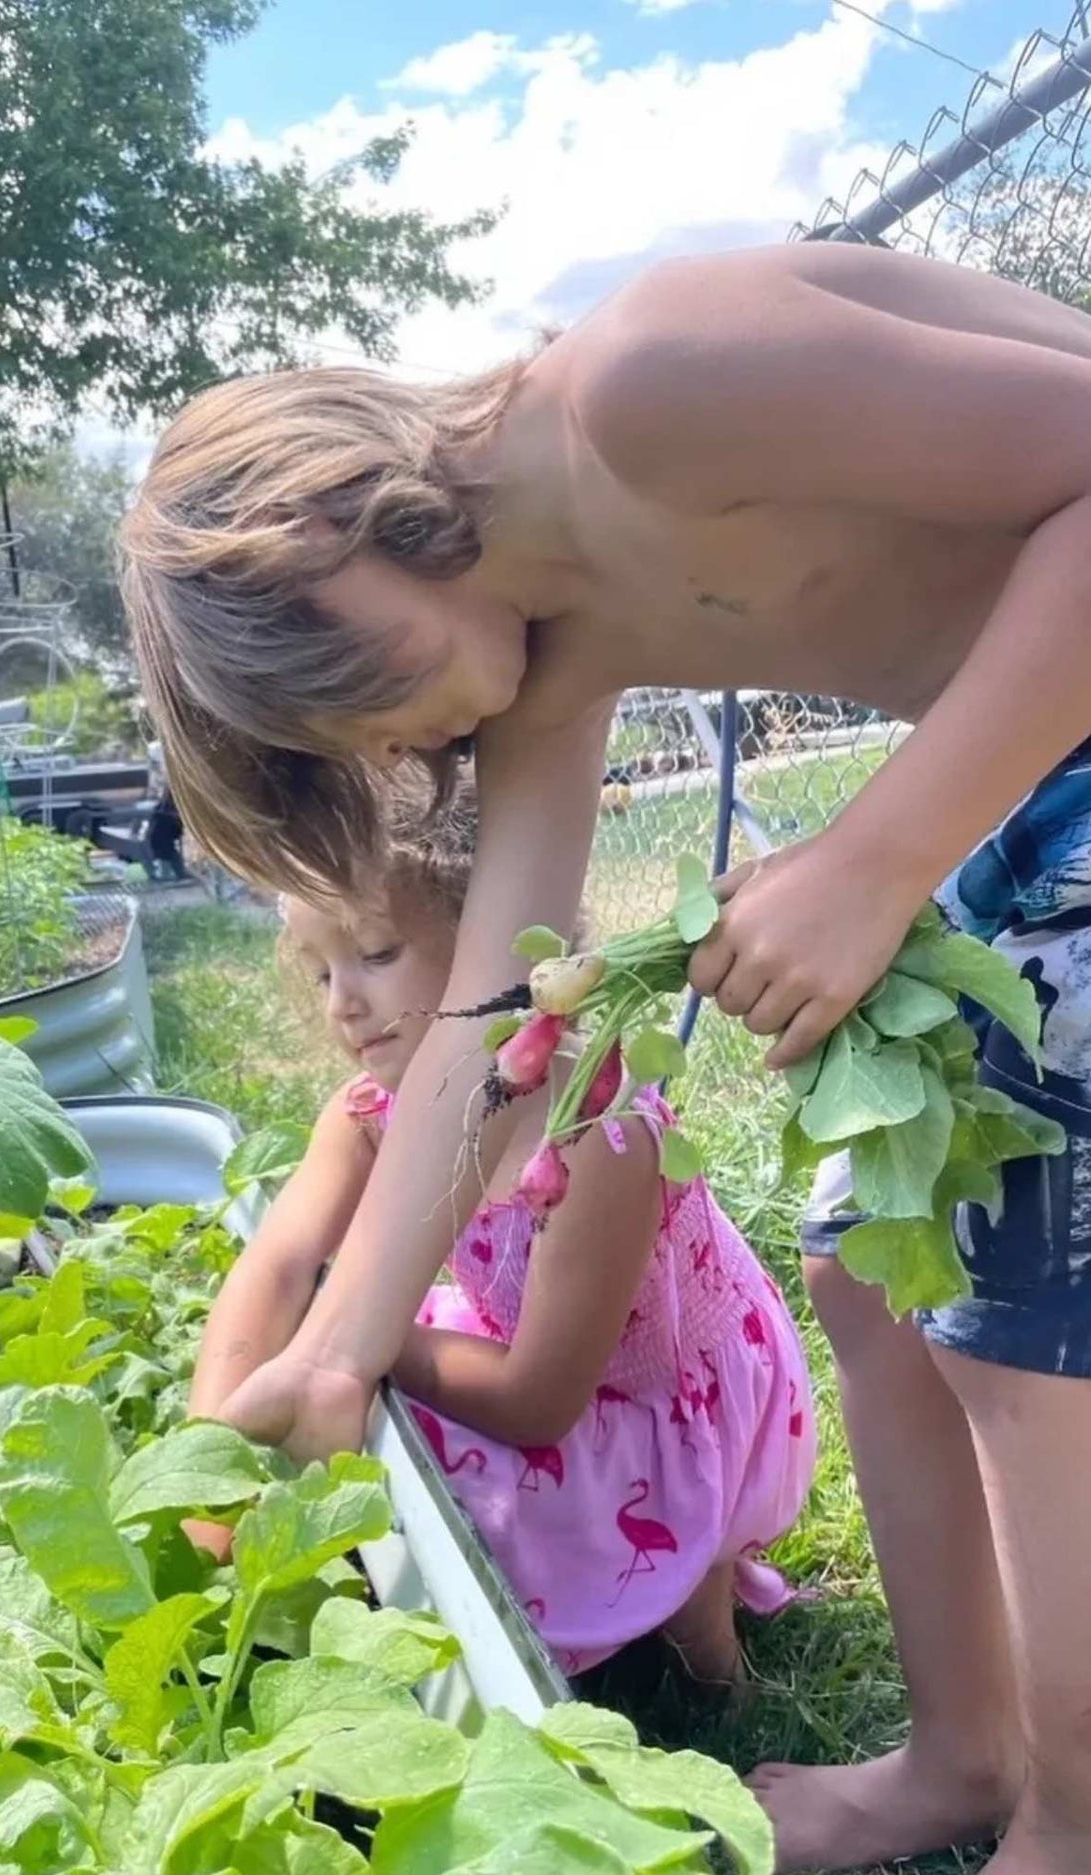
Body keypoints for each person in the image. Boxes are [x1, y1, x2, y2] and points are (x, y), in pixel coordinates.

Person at [120, 241, 1091, 1875]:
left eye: (344, 691)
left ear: (333, 520)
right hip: (1043, 769)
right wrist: (342, 1352)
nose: (388, 746)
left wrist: (873, 861)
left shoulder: (660, 379)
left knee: (1010, 1302)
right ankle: (962, 1756)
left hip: (1034, 764)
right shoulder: (545, 657)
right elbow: (492, 1025)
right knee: (872, 1269)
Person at [187, 792, 815, 1684]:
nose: (342, 1005)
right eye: (319, 970)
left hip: (650, 1397)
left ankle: (710, 1643)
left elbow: (539, 1401)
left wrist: (356, 1334)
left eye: (373, 954)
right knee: (367, 1403)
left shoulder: (598, 1133)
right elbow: (278, 1264)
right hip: (519, 1347)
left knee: (409, 1423)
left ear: (502, 932)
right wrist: (206, 1467)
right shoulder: (370, 1113)